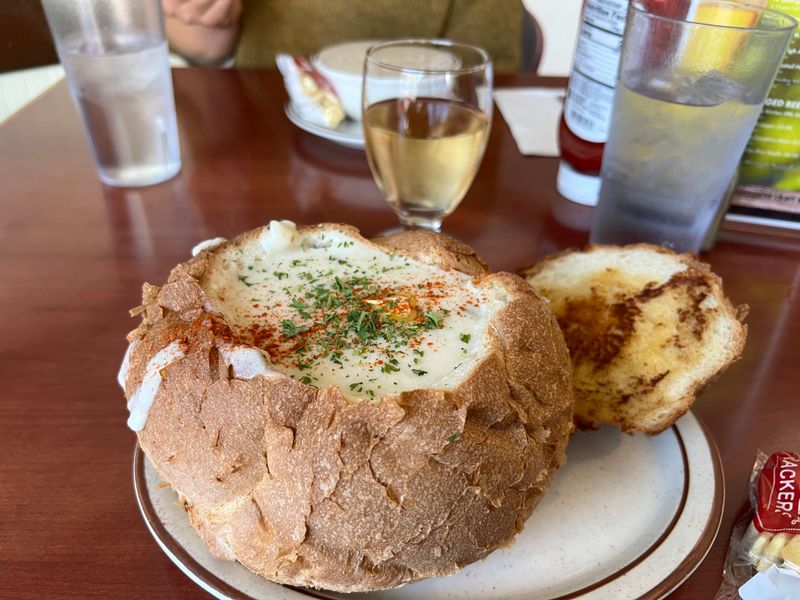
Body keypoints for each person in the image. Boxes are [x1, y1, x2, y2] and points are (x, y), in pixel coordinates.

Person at [162, 0, 525, 72]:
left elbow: (486, 77)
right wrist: (209, 17)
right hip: (256, 144)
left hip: (411, 152)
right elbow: (205, 49)